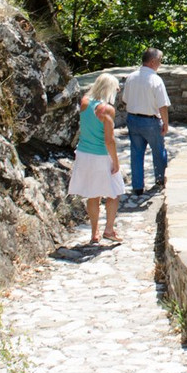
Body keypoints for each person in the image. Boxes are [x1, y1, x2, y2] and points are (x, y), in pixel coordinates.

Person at [67, 72, 125, 244]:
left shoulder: (84, 103)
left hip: (84, 154)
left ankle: (94, 233)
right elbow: (109, 140)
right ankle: (109, 229)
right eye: (115, 88)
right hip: (100, 156)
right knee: (114, 193)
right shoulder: (107, 110)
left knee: (93, 195)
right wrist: (115, 161)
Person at [122, 47, 170, 196]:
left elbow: (125, 99)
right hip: (150, 121)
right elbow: (162, 105)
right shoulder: (156, 80)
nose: (160, 64)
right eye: (160, 61)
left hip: (132, 119)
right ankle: (160, 180)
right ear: (153, 61)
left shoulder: (131, 77)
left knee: (136, 153)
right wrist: (165, 123)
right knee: (158, 151)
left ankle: (137, 187)